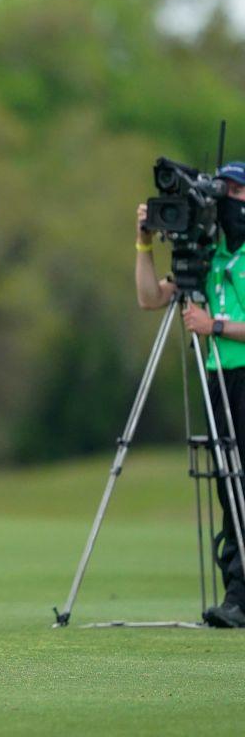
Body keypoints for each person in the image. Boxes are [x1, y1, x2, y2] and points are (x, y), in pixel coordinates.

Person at [135, 160, 245, 628]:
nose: (229, 200)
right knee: (229, 487)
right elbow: (149, 298)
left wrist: (213, 325)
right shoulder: (210, 258)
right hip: (219, 377)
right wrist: (144, 244)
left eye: (237, 192)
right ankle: (237, 594)